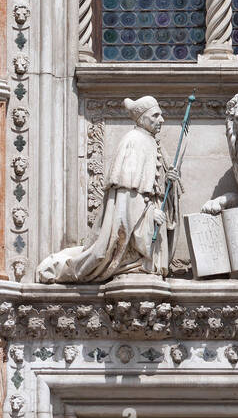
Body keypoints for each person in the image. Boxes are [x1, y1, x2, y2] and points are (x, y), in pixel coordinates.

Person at [37, 96, 182, 283]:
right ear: (142, 117)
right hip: (141, 224)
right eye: (155, 115)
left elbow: (157, 191)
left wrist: (170, 182)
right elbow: (127, 199)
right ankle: (59, 266)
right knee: (98, 256)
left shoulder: (154, 143)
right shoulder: (133, 142)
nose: (161, 120)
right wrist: (149, 215)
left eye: (160, 115)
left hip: (151, 226)